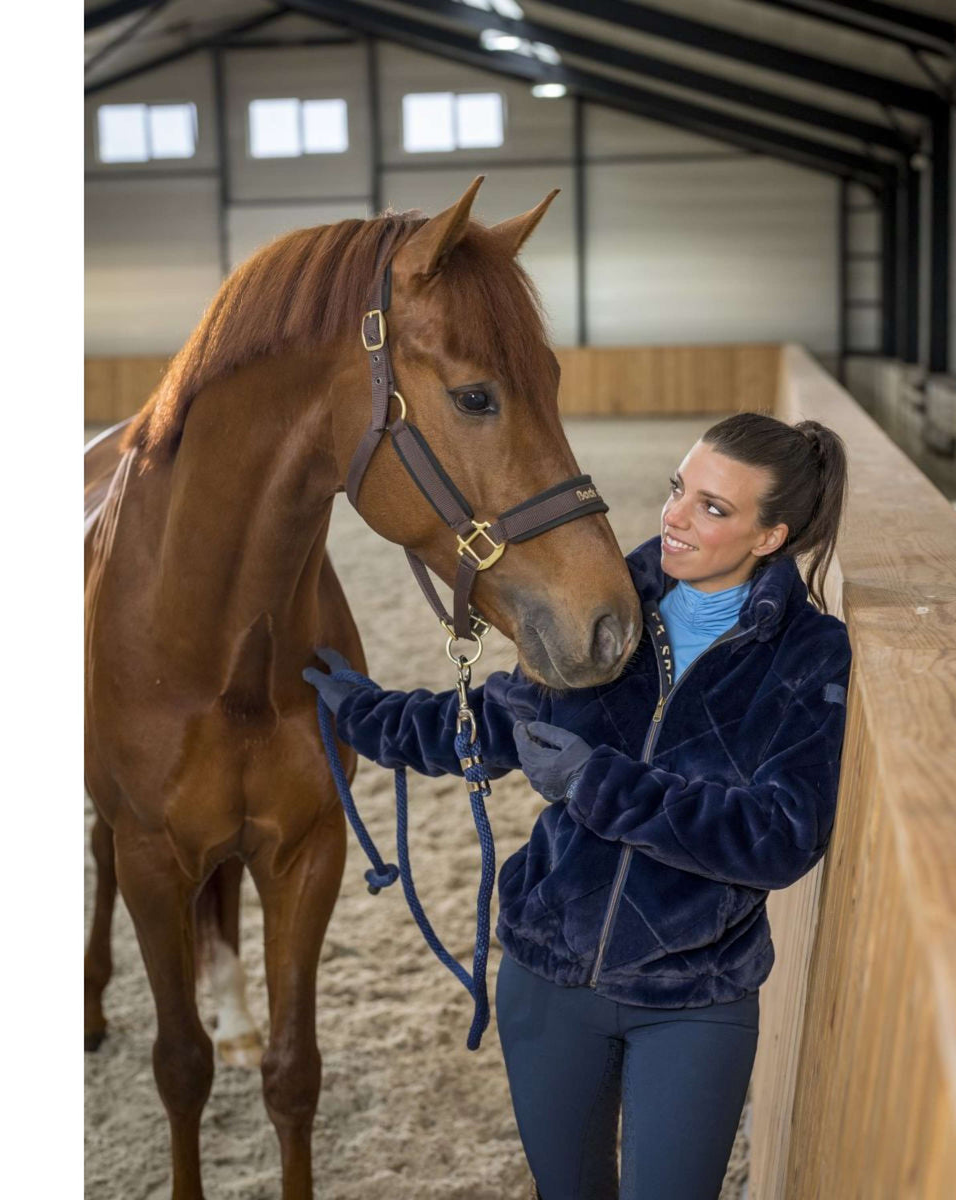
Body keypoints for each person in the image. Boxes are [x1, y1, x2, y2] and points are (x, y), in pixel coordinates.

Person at [304, 411, 853, 1200]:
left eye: (714, 508)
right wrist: (359, 710)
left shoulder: (808, 656)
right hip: (546, 977)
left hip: (694, 996)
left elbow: (782, 836)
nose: (674, 517)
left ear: (771, 537)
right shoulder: (607, 610)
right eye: (678, 490)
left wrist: (600, 786)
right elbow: (490, 724)